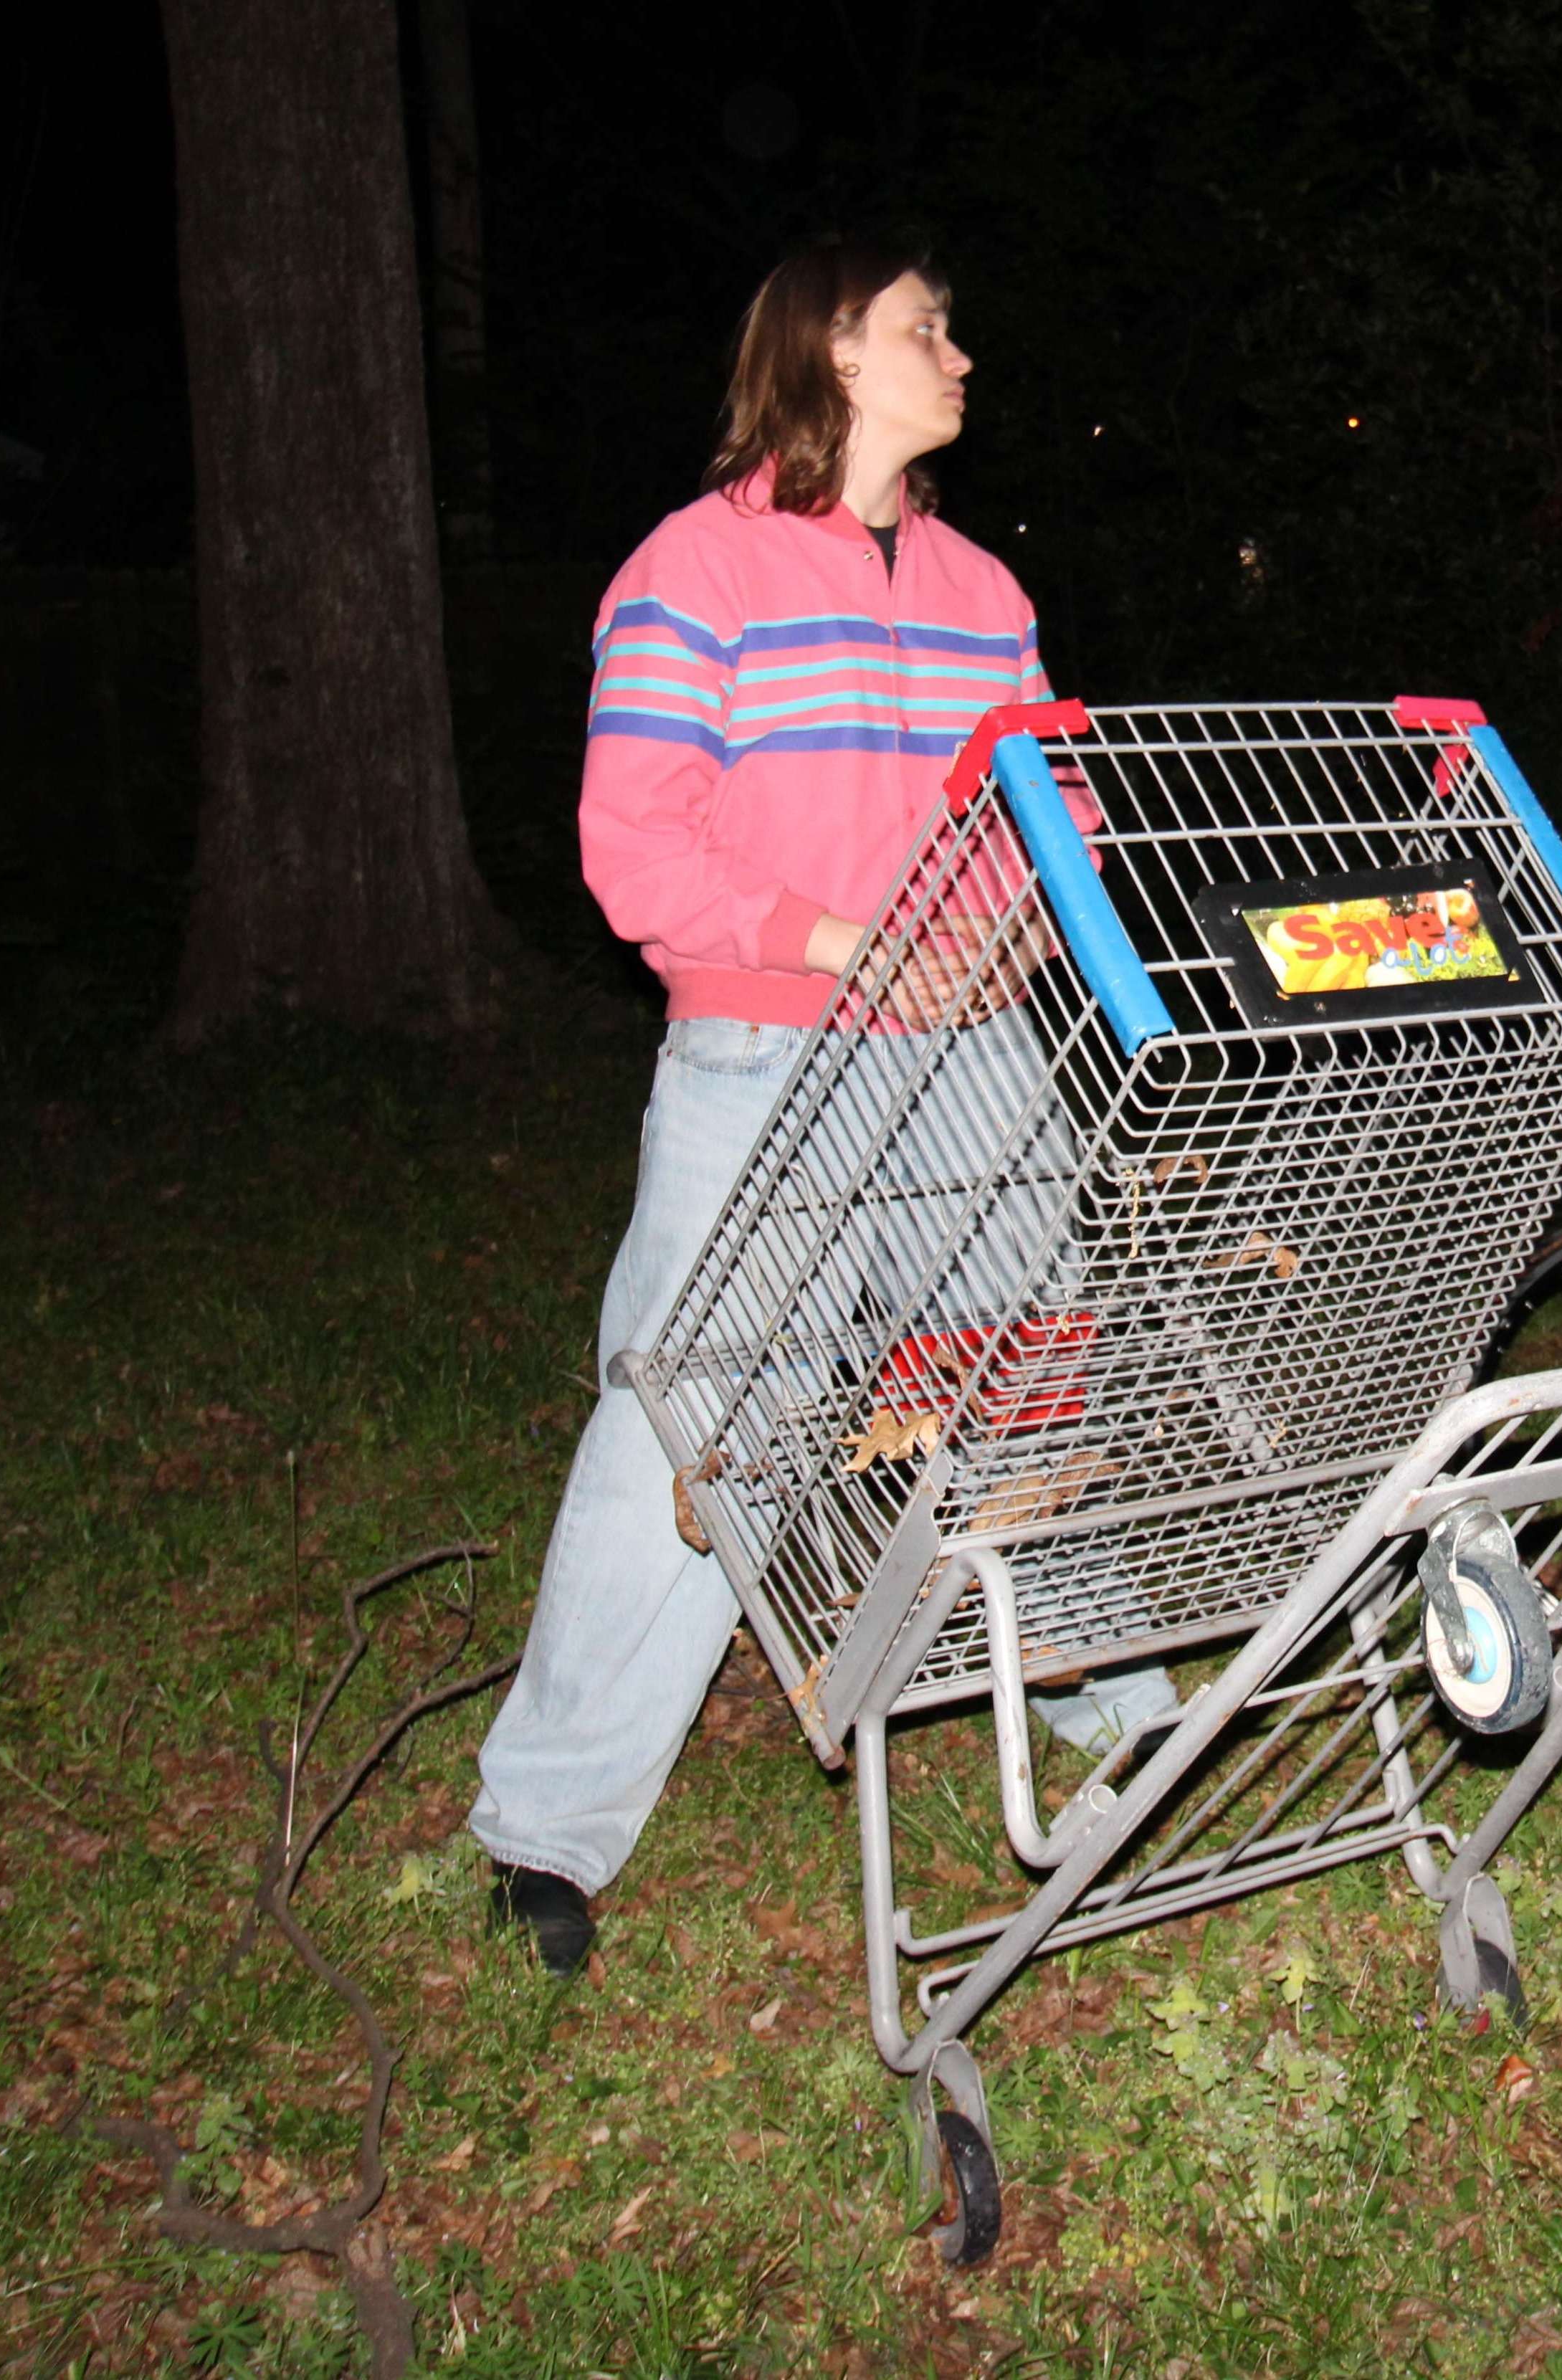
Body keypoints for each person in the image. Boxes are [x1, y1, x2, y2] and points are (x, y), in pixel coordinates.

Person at [471, 241, 1168, 1976]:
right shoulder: (686, 574)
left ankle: (1115, 1703)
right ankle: (545, 1827)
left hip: (975, 1052)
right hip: (763, 1057)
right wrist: (846, 946)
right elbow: (637, 843)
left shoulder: (984, 590)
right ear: (834, 355)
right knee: (691, 1422)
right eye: (929, 327)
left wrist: (1002, 924)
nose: (962, 353)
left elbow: (1031, 810)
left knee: (1028, 1364)